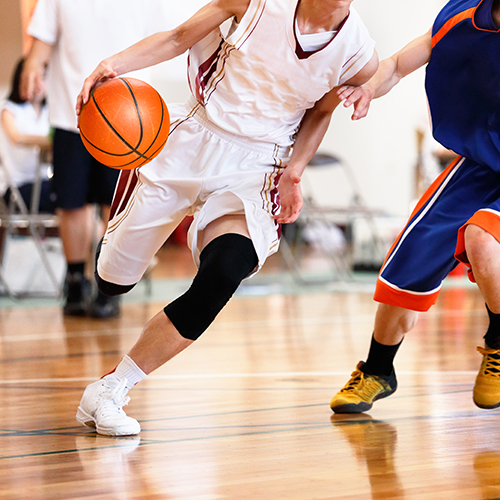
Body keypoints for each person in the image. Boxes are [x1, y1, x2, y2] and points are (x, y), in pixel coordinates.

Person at [73, 0, 378, 436]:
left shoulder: (358, 55)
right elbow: (180, 38)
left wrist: (294, 172)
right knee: (111, 282)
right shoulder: (256, 3)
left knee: (224, 271)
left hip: (257, 168)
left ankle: (112, 388)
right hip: (195, 138)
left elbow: (321, 111)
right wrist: (111, 65)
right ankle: (130, 217)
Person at [330, 0, 500, 414]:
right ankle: (377, 370)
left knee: (482, 236)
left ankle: (498, 344)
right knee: (412, 253)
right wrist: (368, 87)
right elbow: (397, 64)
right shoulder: (462, 20)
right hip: (483, 162)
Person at [20, 0, 157, 318]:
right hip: (71, 115)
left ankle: (108, 284)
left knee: (116, 205)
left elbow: (162, 42)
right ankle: (75, 281)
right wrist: (31, 69)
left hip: (126, 119)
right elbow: (40, 46)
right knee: (72, 203)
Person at [0, 58, 53, 214]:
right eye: (33, 78)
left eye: (43, 78)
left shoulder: (48, 112)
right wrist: (51, 142)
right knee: (71, 192)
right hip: (17, 187)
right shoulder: (9, 110)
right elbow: (17, 138)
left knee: (81, 188)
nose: (39, 84)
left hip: (43, 182)